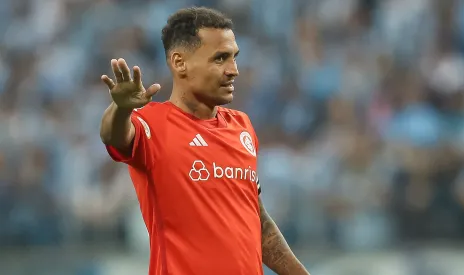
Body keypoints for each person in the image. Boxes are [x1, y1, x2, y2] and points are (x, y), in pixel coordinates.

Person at [99, 6, 309, 275]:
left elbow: (257, 221)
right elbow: (113, 135)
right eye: (220, 58)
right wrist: (121, 109)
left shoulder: (241, 126)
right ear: (179, 62)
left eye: (234, 57)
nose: (233, 70)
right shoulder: (152, 123)